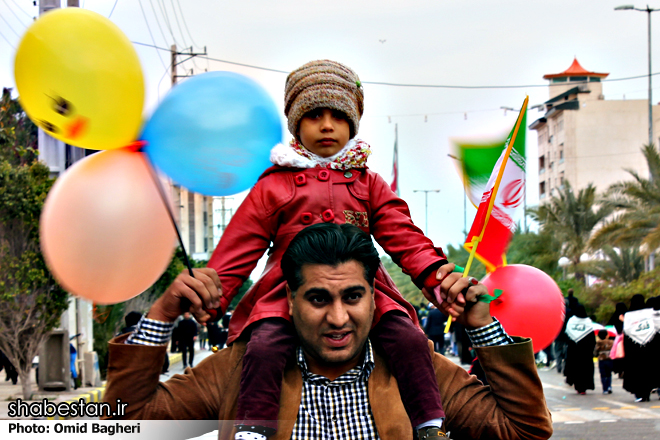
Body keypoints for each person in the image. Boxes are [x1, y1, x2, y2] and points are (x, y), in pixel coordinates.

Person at [103, 223, 553, 440]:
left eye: (352, 297)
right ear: (291, 300)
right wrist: (162, 314)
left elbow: (525, 430)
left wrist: (483, 329)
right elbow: (128, 422)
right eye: (319, 299)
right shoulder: (242, 369)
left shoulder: (414, 370)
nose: (339, 319)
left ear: (375, 297)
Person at [205, 60, 460, 439]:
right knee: (264, 346)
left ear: (352, 123)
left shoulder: (367, 182)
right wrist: (210, 295)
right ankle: (254, 428)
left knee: (407, 338)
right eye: (313, 116)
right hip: (284, 290)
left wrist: (438, 281)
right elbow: (239, 246)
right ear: (296, 123)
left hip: (363, 288)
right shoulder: (273, 185)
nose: (327, 126)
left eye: (338, 117)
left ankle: (429, 424)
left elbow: (405, 238)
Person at [622, 294, 655, 402]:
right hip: (649, 348)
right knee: (648, 370)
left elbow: (626, 332)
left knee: (637, 371)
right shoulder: (650, 313)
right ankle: (646, 394)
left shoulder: (628, 316)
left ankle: (639, 394)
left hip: (634, 349)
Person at [563, 305, 595, 395]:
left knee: (575, 367)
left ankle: (578, 387)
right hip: (586, 351)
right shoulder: (588, 322)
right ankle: (584, 388)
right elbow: (592, 338)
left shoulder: (571, 321)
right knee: (585, 368)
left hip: (574, 350)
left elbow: (567, 335)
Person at [594, 329, 614, 394]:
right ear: (606, 336)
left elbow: (595, 353)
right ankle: (609, 386)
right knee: (609, 374)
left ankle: (604, 389)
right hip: (609, 360)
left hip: (601, 361)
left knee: (603, 375)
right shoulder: (611, 342)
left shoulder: (598, 343)